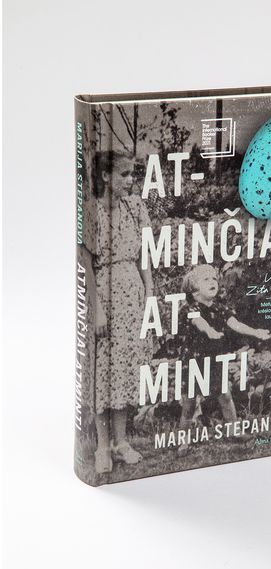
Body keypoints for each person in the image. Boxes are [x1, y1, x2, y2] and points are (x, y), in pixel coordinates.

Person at [85, 150, 153, 474]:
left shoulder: (135, 207)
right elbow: (85, 264)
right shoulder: (91, 212)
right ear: (106, 176)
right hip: (104, 295)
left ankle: (121, 443)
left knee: (124, 368)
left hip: (132, 295)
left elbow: (145, 256)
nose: (130, 180)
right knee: (103, 369)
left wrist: (150, 292)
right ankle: (102, 446)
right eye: (124, 174)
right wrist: (96, 311)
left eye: (133, 174)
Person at [178, 264, 271, 454]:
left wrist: (256, 332)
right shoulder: (189, 308)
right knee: (189, 404)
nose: (212, 281)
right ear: (194, 288)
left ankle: (234, 430)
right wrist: (210, 331)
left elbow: (235, 324)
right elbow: (199, 322)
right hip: (193, 362)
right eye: (206, 279)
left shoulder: (220, 308)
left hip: (214, 360)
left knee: (225, 396)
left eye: (214, 278)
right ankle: (183, 441)